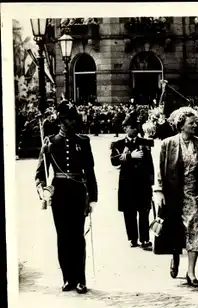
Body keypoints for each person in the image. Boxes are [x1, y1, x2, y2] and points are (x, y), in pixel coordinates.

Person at [35, 100, 98, 294]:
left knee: (78, 237)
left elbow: (90, 171)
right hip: (60, 194)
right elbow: (40, 173)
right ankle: (67, 278)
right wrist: (43, 190)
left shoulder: (83, 141)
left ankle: (80, 279)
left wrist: (93, 198)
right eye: (68, 120)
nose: (72, 123)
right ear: (61, 121)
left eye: (73, 119)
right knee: (63, 237)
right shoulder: (50, 143)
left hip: (79, 194)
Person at [152, 106, 198, 287]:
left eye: (195, 122)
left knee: (195, 231)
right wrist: (159, 191)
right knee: (174, 230)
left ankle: (191, 272)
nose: (195, 125)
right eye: (191, 123)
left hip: (195, 196)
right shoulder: (168, 144)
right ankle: (175, 256)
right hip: (173, 195)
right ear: (181, 125)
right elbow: (160, 171)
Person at [110, 111, 155, 250]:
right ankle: (133, 238)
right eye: (131, 126)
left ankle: (145, 239)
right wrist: (130, 156)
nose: (135, 129)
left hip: (142, 183)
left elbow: (150, 164)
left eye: (136, 126)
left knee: (144, 211)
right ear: (125, 129)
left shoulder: (145, 143)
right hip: (127, 184)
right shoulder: (118, 144)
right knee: (129, 212)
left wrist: (151, 182)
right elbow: (114, 161)